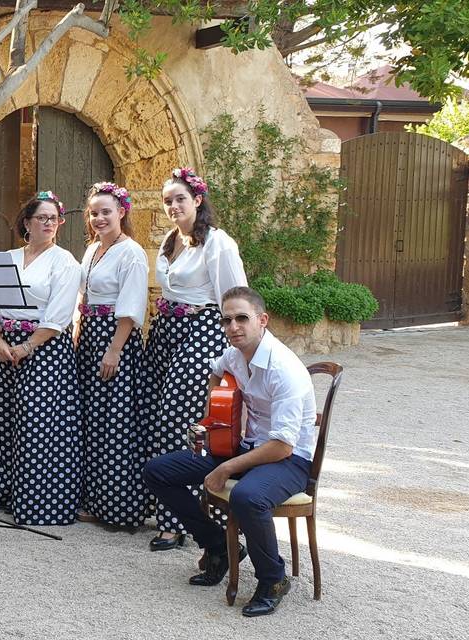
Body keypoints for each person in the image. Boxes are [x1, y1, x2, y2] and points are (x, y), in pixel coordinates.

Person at [144, 286, 317, 618]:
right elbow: (216, 374)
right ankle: (219, 547)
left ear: (262, 320)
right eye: (227, 320)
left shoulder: (284, 370)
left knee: (248, 497)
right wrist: (216, 419)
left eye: (242, 318)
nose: (233, 327)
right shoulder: (235, 354)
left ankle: (274, 579)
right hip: (246, 447)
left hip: (290, 460)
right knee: (158, 470)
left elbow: (282, 445)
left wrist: (226, 467)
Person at [144, 168, 247, 551]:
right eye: (167, 200)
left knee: (179, 423)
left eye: (180, 199)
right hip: (166, 334)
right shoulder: (172, 240)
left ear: (198, 201)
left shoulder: (218, 243)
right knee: (158, 419)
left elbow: (234, 297)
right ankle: (166, 506)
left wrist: (234, 356)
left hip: (200, 334)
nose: (173, 206)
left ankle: (177, 524)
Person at [0, 191, 83, 525]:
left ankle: (39, 504)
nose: (49, 224)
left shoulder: (65, 262)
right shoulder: (6, 258)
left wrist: (26, 348)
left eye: (54, 218)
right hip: (3, 347)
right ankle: (4, 494)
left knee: (37, 425)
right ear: (27, 222)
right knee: (3, 421)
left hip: (43, 350)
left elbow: (57, 317)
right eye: (42, 218)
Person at [75, 182, 150, 528]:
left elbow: (131, 307)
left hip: (114, 340)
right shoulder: (93, 249)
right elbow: (83, 296)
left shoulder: (131, 252)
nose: (99, 218)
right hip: (91, 337)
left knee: (115, 423)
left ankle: (119, 507)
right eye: (94, 213)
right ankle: (94, 498)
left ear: (122, 212)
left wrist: (115, 350)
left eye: (106, 211)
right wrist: (78, 330)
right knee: (93, 419)